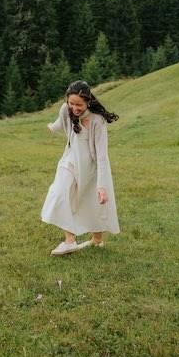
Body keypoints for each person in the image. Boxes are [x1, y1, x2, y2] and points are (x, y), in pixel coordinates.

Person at [41, 80, 120, 255]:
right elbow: (60, 122)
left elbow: (101, 156)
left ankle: (97, 239)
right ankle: (70, 241)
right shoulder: (65, 110)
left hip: (90, 168)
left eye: (79, 104)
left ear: (88, 101)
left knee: (93, 202)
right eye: (71, 103)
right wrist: (51, 128)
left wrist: (101, 185)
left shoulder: (97, 121)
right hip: (69, 162)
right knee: (59, 193)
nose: (74, 108)